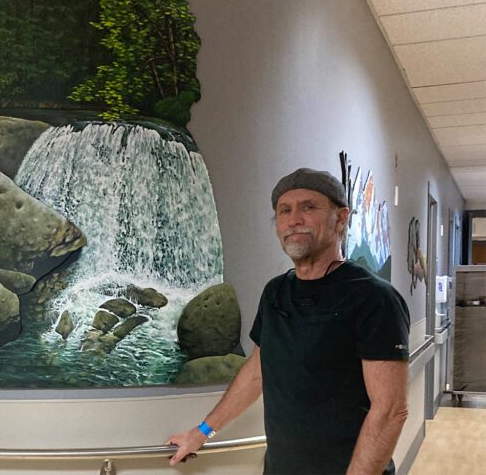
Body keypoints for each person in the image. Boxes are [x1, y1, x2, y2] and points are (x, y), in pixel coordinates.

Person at [167, 168, 410, 474]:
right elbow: (257, 372)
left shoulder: (373, 298)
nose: (294, 219)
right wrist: (201, 432)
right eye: (285, 210)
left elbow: (390, 410)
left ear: (341, 218)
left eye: (309, 207)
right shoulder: (275, 293)